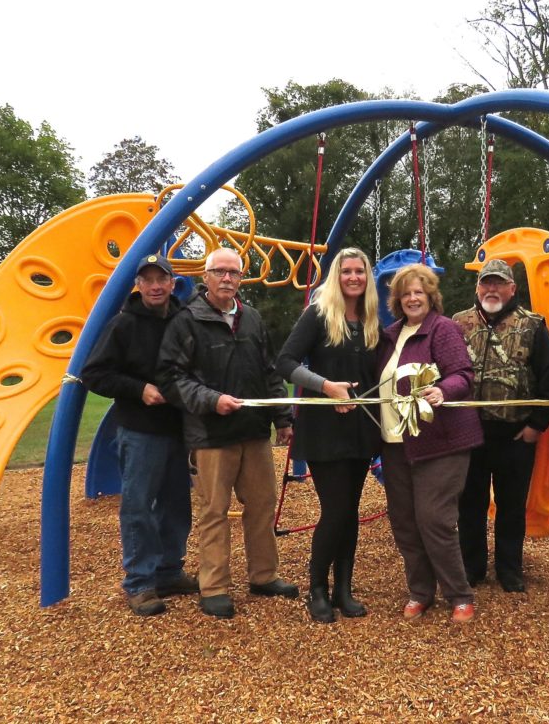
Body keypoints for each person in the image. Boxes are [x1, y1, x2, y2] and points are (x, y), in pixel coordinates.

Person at [158, 247, 299, 620]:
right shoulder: (187, 321)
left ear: (240, 279)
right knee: (214, 511)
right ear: (206, 277)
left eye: (233, 273)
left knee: (263, 505)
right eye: (219, 272)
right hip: (210, 434)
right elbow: (172, 377)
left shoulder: (251, 319)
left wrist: (282, 418)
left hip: (253, 431)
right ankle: (215, 586)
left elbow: (271, 372)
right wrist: (211, 400)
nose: (226, 279)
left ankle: (264, 575)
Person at [81, 253, 195, 617]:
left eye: (161, 279)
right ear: (139, 286)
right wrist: (139, 389)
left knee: (177, 505)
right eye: (148, 280)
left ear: (173, 283)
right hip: (141, 430)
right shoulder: (123, 325)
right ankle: (140, 582)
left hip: (179, 428)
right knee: (138, 506)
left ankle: (169, 571)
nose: (156, 286)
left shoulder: (185, 319)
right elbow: (95, 373)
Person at [276, 247, 381, 623]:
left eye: (360, 271)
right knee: (335, 511)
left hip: (360, 430)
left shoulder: (369, 321)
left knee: (350, 512)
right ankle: (317, 588)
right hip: (324, 431)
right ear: (336, 276)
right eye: (346, 271)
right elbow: (285, 363)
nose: (353, 277)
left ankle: (344, 587)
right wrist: (325, 387)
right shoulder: (318, 315)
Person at [377, 264, 483, 623]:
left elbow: (463, 375)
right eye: (406, 293)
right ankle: (420, 591)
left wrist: (443, 390)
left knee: (434, 519)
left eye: (419, 292)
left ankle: (459, 594)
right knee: (404, 521)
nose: (412, 298)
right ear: (397, 300)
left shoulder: (443, 329)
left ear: (431, 296)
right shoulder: (390, 335)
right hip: (395, 441)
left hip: (441, 440)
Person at [452, 258, 549, 593]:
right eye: (486, 283)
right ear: (477, 287)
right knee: (470, 504)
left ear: (512, 288)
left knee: (512, 506)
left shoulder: (532, 325)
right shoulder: (457, 324)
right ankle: (472, 567)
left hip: (515, 434)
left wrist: (536, 426)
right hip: (469, 433)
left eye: (499, 283)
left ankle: (510, 569)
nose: (492, 289)